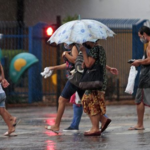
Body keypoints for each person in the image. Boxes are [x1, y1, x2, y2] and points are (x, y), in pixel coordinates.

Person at [63, 65, 118, 132]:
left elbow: (90, 61)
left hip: (85, 77)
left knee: (87, 102)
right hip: (87, 76)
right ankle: (100, 122)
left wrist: (66, 54)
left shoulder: (86, 55)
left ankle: (97, 125)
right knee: (84, 102)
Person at [78, 40, 108, 136]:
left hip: (95, 80)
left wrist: (83, 52)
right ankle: (101, 121)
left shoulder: (94, 49)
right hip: (100, 79)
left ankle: (95, 127)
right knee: (94, 102)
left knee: (88, 101)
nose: (84, 42)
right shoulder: (100, 48)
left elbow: (89, 65)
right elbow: (96, 63)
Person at [128, 26, 150, 130]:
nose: (140, 38)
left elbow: (149, 60)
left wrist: (139, 62)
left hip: (146, 76)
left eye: (140, 36)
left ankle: (140, 124)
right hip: (146, 75)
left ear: (145, 34)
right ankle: (140, 124)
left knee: (140, 99)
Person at [0, 62, 17, 136]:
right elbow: (1, 66)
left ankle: (11, 118)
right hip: (2, 94)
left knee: (2, 111)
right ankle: (11, 126)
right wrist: (3, 78)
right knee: (2, 111)